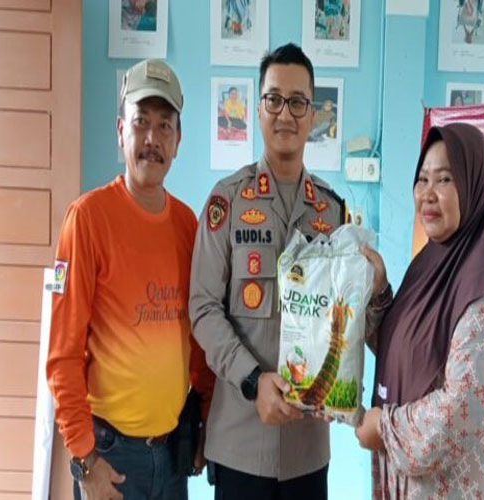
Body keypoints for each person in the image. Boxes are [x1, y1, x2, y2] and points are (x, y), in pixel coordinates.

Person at [47, 59, 215, 500]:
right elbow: (62, 355)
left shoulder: (187, 226)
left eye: (164, 126)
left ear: (178, 141)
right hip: (111, 457)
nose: (152, 139)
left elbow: (198, 339)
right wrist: (85, 461)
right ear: (120, 130)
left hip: (172, 456)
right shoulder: (87, 220)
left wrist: (205, 420)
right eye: (141, 122)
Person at [189, 43, 346, 500]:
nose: (285, 114)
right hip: (240, 441)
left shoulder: (332, 211)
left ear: (312, 116)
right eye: (274, 99)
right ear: (258, 109)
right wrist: (252, 379)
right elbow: (202, 308)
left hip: (307, 446)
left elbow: (344, 316)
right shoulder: (227, 201)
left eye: (298, 102)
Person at [354, 123, 484, 499]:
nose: (428, 194)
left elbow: (459, 414)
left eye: (445, 180)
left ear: (473, 187)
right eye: (422, 180)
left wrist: (384, 428)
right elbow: (409, 353)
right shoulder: (430, 266)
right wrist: (379, 292)